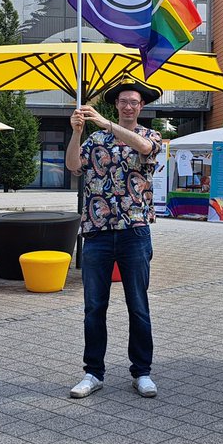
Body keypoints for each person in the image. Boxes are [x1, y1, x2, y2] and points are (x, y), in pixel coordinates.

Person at [65, 81, 162, 400]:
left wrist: (107, 123)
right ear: (117, 104)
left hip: (134, 229)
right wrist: (77, 131)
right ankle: (93, 373)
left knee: (138, 304)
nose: (128, 107)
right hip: (97, 231)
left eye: (133, 102)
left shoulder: (149, 136)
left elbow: (145, 151)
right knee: (94, 306)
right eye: (123, 102)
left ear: (141, 107)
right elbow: (73, 166)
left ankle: (142, 372)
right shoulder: (96, 139)